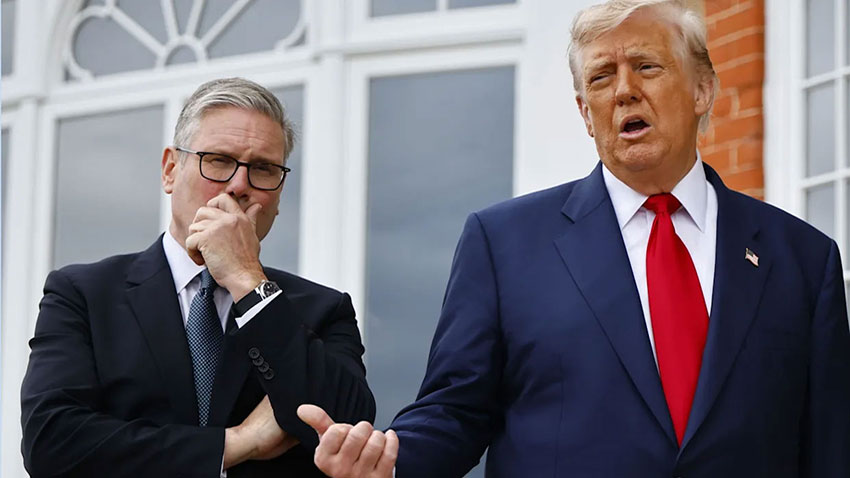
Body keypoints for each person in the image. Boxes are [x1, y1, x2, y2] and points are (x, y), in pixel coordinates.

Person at [297, 1, 850, 476]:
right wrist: (391, 462)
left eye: (647, 66)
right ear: (587, 114)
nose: (625, 91)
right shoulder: (503, 244)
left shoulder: (803, 259)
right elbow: (456, 410)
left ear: (702, 89)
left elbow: (829, 445)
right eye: (602, 78)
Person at [21, 77, 375, 477]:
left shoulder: (322, 310)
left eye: (263, 169)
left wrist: (246, 279)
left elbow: (347, 427)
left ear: (278, 196)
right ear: (170, 170)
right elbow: (52, 443)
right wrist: (236, 443)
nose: (239, 185)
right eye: (219, 160)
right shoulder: (85, 295)